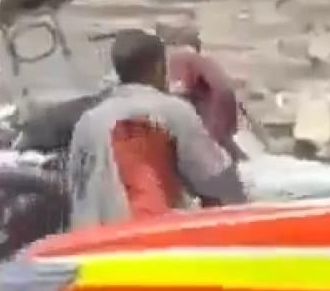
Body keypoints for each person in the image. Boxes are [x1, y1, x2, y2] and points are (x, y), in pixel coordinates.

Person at [66, 29, 245, 229]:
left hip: (87, 241)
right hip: (145, 237)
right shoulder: (172, 111)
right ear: (159, 68)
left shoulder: (86, 122)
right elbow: (219, 182)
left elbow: (77, 189)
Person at [166, 28, 241, 158]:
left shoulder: (181, 56)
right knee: (222, 141)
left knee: (208, 144)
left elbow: (181, 89)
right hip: (226, 99)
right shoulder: (204, 59)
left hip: (215, 102)